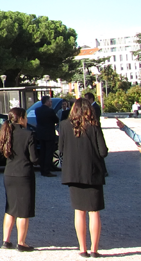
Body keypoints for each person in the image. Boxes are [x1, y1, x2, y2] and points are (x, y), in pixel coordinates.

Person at [59, 98, 108, 258]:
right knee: (94, 212)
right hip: (92, 172)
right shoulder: (93, 126)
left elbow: (61, 149)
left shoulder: (65, 126)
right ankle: (94, 249)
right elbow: (103, 152)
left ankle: (82, 248)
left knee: (79, 212)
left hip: (73, 173)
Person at [0, 107, 38, 252]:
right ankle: (21, 242)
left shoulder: (6, 132)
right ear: (21, 118)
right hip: (24, 174)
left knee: (10, 208)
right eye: (25, 117)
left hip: (9, 174)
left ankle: (6, 240)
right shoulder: (28, 134)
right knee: (23, 210)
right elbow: (34, 158)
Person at [34, 95, 59, 177]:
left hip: (41, 133)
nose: (51, 103)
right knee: (49, 152)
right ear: (47, 102)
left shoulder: (37, 110)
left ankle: (42, 169)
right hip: (49, 134)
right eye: (50, 101)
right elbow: (56, 120)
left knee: (42, 151)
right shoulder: (50, 111)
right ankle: (47, 170)